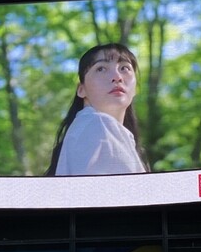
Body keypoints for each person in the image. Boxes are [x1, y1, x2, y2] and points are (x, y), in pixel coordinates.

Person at [46, 43, 149, 176]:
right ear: (81, 89)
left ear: (135, 89)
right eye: (101, 69)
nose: (117, 77)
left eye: (124, 68)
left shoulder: (93, 128)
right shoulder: (97, 123)